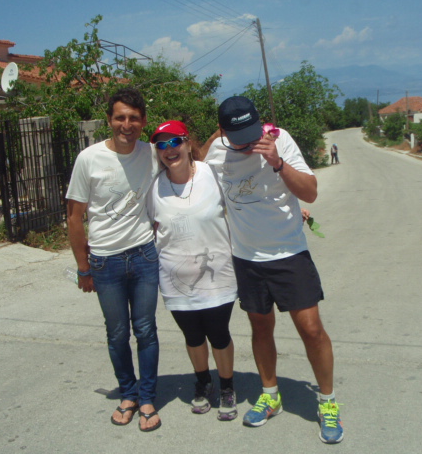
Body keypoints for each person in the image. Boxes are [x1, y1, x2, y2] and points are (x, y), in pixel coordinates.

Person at [204, 96, 344, 444]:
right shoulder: (216, 153)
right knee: (260, 327)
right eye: (238, 137)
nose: (248, 144)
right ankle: (270, 395)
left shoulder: (279, 141)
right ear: (222, 132)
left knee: (311, 329)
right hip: (246, 257)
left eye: (252, 134)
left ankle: (327, 402)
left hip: (289, 253)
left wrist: (277, 163)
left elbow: (310, 193)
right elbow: (197, 180)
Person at [66, 87, 162, 432]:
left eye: (134, 118)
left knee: (146, 330)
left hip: (144, 254)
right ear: (109, 120)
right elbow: (74, 217)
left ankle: (147, 397)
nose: (127, 124)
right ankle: (128, 394)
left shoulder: (152, 154)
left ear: (143, 122)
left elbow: (190, 164)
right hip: (105, 261)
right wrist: (83, 268)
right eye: (120, 117)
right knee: (118, 333)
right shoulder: (88, 159)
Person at [147, 120, 239, 421]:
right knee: (193, 335)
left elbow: (242, 203)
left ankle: (227, 387)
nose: (169, 149)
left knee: (218, 333)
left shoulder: (211, 174)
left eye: (175, 142)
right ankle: (203, 381)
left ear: (188, 144)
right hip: (175, 280)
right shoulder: (154, 186)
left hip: (217, 274)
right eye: (162, 145)